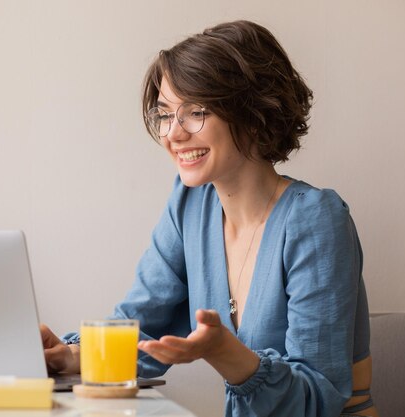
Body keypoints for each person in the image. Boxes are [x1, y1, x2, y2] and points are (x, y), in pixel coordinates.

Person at [41, 20, 379, 417]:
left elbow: (316, 399)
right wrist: (72, 356)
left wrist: (226, 353)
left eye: (196, 111)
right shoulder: (190, 204)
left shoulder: (317, 221)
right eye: (165, 114)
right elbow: (143, 325)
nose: (173, 134)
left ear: (252, 114)